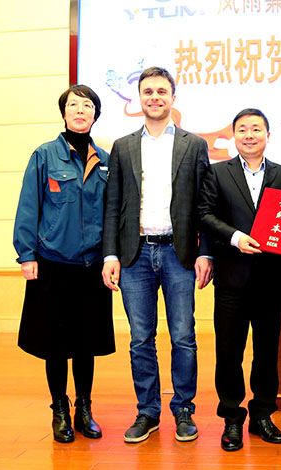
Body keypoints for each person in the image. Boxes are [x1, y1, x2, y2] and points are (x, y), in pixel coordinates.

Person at [101, 66, 213, 444]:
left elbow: (204, 205)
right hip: (135, 256)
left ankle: (183, 409)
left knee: (183, 336)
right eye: (148, 91)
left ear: (172, 97)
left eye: (161, 91)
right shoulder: (123, 146)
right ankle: (147, 411)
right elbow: (112, 204)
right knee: (140, 339)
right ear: (140, 98)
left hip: (179, 255)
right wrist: (110, 255)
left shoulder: (194, 145)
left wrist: (206, 252)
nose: (154, 97)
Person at [13, 84, 115, 443]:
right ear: (64, 113)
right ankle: (59, 408)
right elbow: (29, 206)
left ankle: (84, 408)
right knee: (55, 343)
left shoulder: (106, 160)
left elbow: (113, 214)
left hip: (92, 265)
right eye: (73, 105)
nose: (80, 110)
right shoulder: (44, 155)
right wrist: (26, 254)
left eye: (87, 105)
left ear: (95, 114)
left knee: (86, 342)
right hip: (52, 263)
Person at [198, 108, 281, 451]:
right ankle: (231, 418)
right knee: (229, 351)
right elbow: (204, 214)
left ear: (268, 135)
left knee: (267, 351)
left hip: (271, 278)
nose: (249, 135)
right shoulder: (217, 172)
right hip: (232, 278)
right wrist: (235, 237)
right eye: (242, 129)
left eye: (256, 129)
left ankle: (262, 415)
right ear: (234, 136)